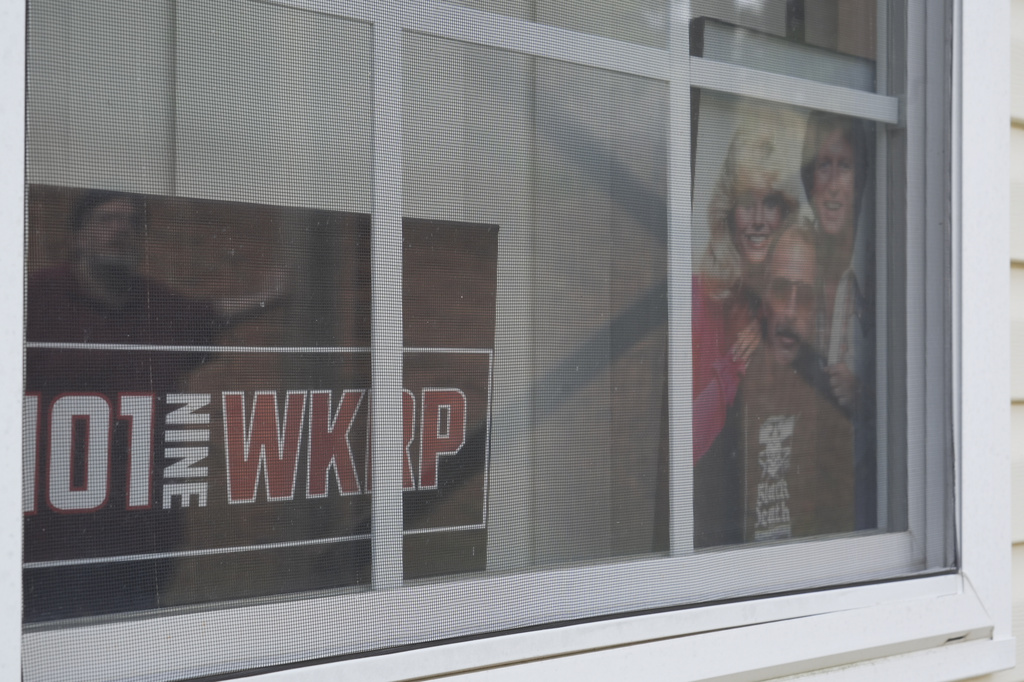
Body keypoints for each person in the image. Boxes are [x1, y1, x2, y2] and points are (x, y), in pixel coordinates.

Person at [694, 226, 854, 547]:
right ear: (764, 300)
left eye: (805, 298)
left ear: (817, 311)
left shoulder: (831, 405)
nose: (792, 312)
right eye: (781, 292)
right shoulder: (735, 392)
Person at [692, 110, 804, 463]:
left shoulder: (794, 298)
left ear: (785, 213)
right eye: (746, 203)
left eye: (770, 203)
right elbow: (684, 443)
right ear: (729, 209)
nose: (758, 220)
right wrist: (734, 364)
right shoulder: (700, 297)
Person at [801, 111, 875, 529]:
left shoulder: (882, 277)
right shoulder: (792, 271)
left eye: (843, 167)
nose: (831, 184)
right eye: (822, 167)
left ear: (861, 180)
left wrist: (864, 396)